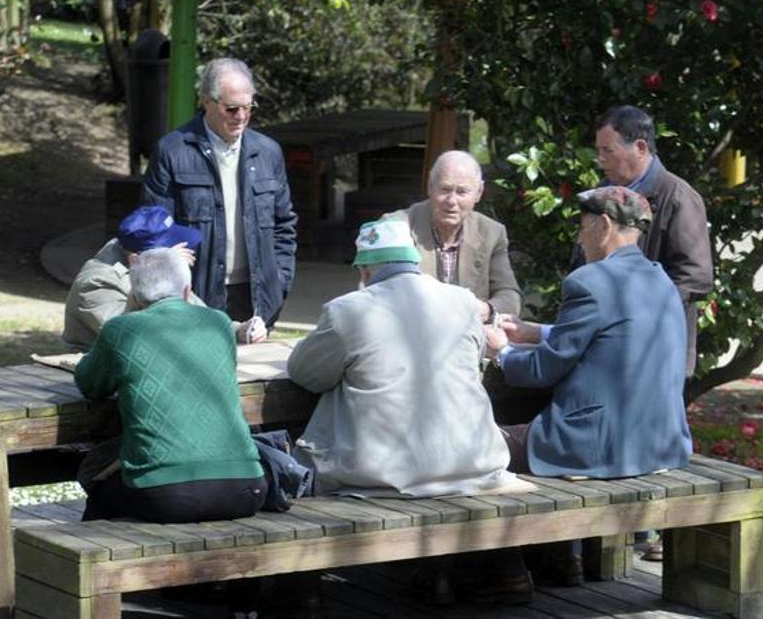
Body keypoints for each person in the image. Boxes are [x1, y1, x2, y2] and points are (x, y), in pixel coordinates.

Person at [484, 186, 693, 584]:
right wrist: (536, 331)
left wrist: (502, 352)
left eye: (583, 227)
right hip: (660, 442)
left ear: (605, 225)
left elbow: (545, 370)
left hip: (601, 445)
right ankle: (563, 561)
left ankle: (502, 574)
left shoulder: (590, 282)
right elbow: (612, 334)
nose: (580, 237)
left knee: (479, 446)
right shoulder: (660, 279)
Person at [286, 216, 520, 498]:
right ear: (414, 262)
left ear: (364, 272)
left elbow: (304, 373)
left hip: (376, 476)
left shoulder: (347, 310)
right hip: (474, 465)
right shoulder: (464, 302)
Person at [75, 248, 267, 522]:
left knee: (96, 483)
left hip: (166, 493)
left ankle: (99, 561)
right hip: (247, 487)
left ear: (135, 295)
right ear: (188, 291)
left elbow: (89, 383)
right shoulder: (219, 323)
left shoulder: (120, 330)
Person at [142, 57, 297, 328]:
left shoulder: (269, 152)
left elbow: (284, 226)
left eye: (248, 107)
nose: (241, 117)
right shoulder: (172, 151)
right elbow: (155, 230)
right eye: (232, 108)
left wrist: (279, 284)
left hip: (256, 297)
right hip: (194, 294)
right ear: (206, 102)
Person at [589, 105, 713, 376]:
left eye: (607, 150)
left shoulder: (677, 196)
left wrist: (635, 313)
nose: (600, 159)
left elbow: (696, 277)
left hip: (655, 352)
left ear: (641, 147)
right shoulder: (604, 194)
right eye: (598, 151)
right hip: (605, 346)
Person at [62, 205, 265, 351]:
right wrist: (168, 268)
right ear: (136, 258)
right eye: (171, 249)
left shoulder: (155, 268)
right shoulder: (96, 283)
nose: (184, 252)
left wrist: (238, 330)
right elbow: (130, 333)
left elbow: (195, 314)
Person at [388, 150, 521, 322]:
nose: (451, 201)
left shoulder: (492, 233)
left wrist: (487, 310)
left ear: (479, 192)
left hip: (469, 337)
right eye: (445, 189)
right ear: (430, 186)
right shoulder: (395, 227)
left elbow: (509, 294)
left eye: (462, 192)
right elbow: (379, 293)